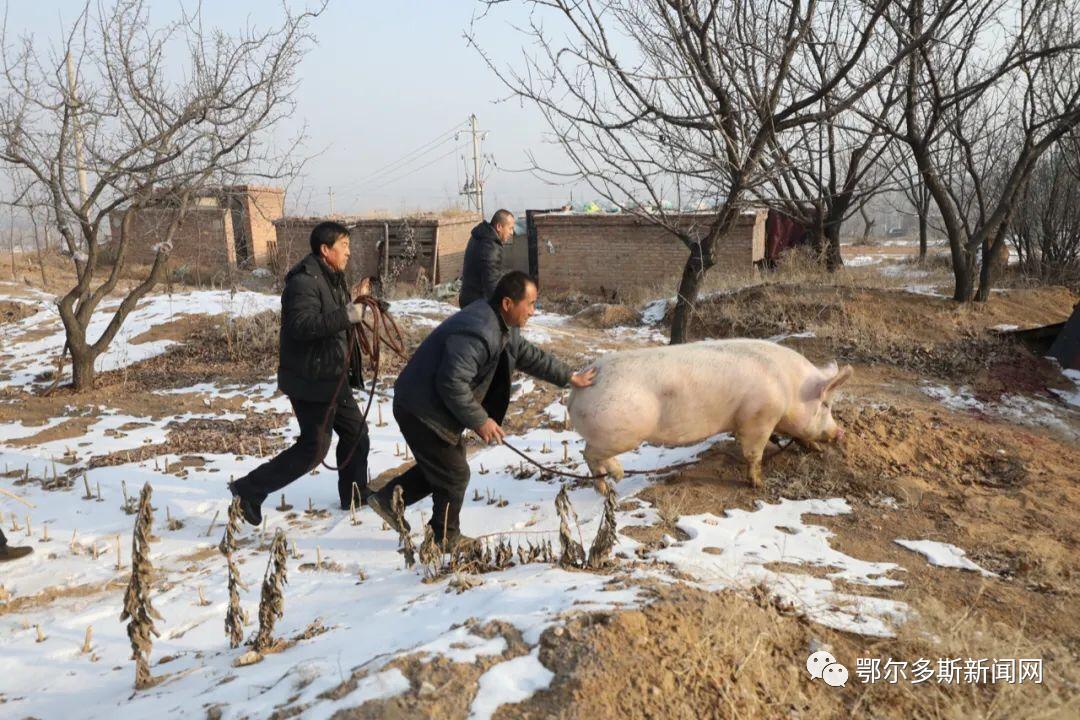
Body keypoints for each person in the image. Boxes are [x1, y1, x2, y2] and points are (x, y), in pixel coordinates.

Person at [368, 270, 596, 548]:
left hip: (428, 403)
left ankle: (389, 500)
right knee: (454, 474)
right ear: (508, 303)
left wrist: (568, 376)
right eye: (532, 303)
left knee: (444, 467)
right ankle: (444, 537)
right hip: (420, 407)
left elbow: (527, 355)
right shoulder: (480, 331)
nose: (534, 311)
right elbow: (451, 382)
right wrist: (481, 420)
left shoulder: (501, 326)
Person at [229, 221, 375, 525]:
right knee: (313, 449)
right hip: (310, 380)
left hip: (332, 376)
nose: (348, 252)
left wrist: (354, 301)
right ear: (326, 250)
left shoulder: (331, 276)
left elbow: (330, 317)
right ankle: (248, 490)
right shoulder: (303, 282)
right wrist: (348, 314)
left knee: (356, 434)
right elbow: (302, 326)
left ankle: (354, 495)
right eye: (344, 246)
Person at [458, 209, 515, 307]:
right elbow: (492, 284)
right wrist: (503, 308)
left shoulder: (479, 237)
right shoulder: (490, 248)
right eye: (510, 228)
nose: (512, 232)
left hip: (469, 299)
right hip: (479, 305)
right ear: (499, 227)